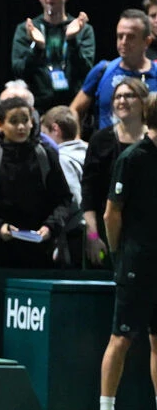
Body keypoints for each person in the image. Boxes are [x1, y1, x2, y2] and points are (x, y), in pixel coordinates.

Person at [93, 93, 157, 410]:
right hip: (136, 260)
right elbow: (110, 213)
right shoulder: (132, 159)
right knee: (122, 338)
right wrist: (120, 254)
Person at [0, 96, 72, 269]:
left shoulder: (45, 154)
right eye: (14, 122)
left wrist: (50, 227)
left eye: (25, 120)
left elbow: (63, 199)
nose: (21, 127)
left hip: (40, 251)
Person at [81, 78, 149, 269]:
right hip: (107, 233)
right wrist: (93, 236)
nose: (122, 101)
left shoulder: (153, 140)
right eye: (118, 96)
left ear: (143, 101)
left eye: (129, 95)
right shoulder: (100, 140)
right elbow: (89, 193)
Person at [9, 0, 95, 111]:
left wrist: (72, 40)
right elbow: (19, 71)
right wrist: (37, 48)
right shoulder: (27, 29)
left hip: (73, 107)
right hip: (37, 107)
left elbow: (86, 71)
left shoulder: (83, 29)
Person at [71, 10, 157, 132]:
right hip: (106, 148)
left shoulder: (155, 74)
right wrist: (76, 140)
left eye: (131, 37)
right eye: (120, 36)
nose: (124, 42)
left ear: (147, 41)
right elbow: (75, 109)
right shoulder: (103, 71)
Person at [41, 104, 88, 267]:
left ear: (55, 129)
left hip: (75, 238)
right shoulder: (88, 151)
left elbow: (72, 200)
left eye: (44, 133)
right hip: (93, 234)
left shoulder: (62, 159)